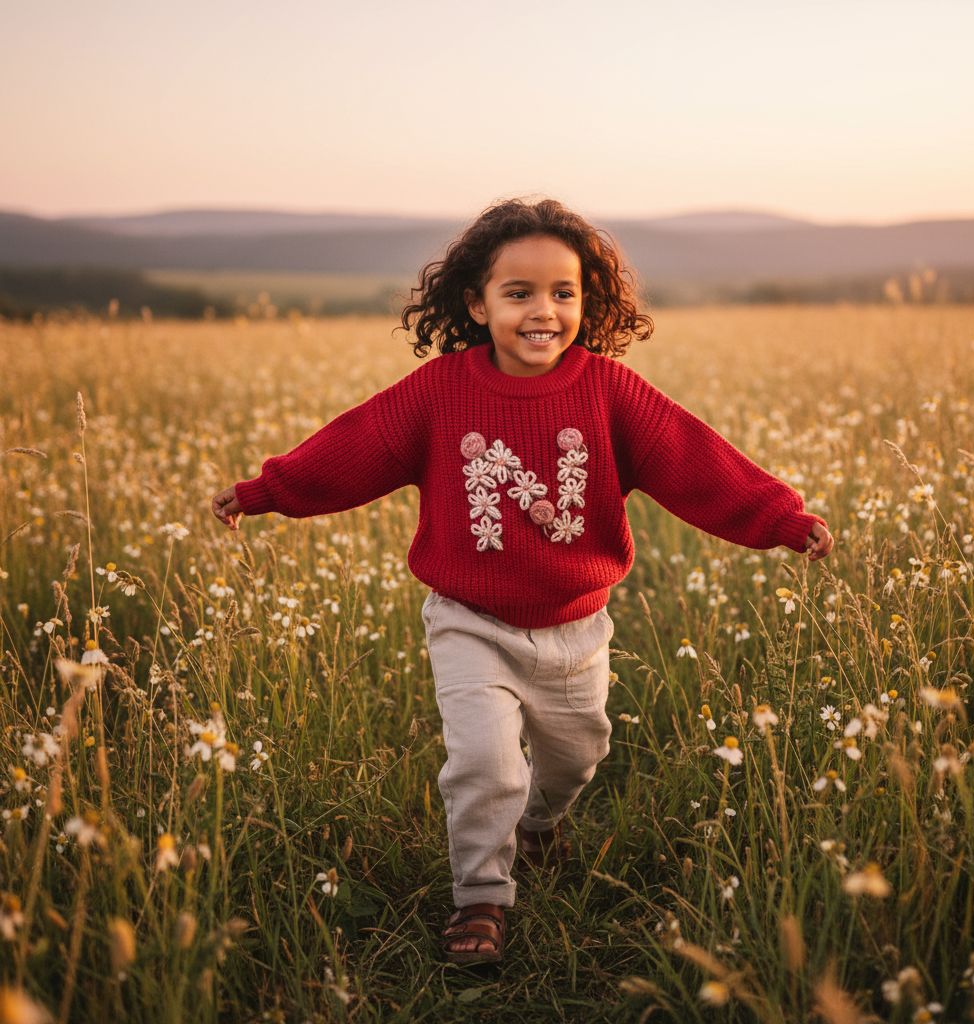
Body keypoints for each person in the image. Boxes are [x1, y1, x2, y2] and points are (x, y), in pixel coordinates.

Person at [211, 197, 834, 965]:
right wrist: (266, 490)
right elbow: (356, 447)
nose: (544, 311)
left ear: (586, 301)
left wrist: (779, 517)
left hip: (576, 629)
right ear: (477, 303)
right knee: (485, 763)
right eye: (519, 293)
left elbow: (692, 459)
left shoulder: (610, 393)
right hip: (469, 622)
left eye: (563, 293)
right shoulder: (440, 392)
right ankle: (480, 895)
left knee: (577, 757)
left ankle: (539, 824)